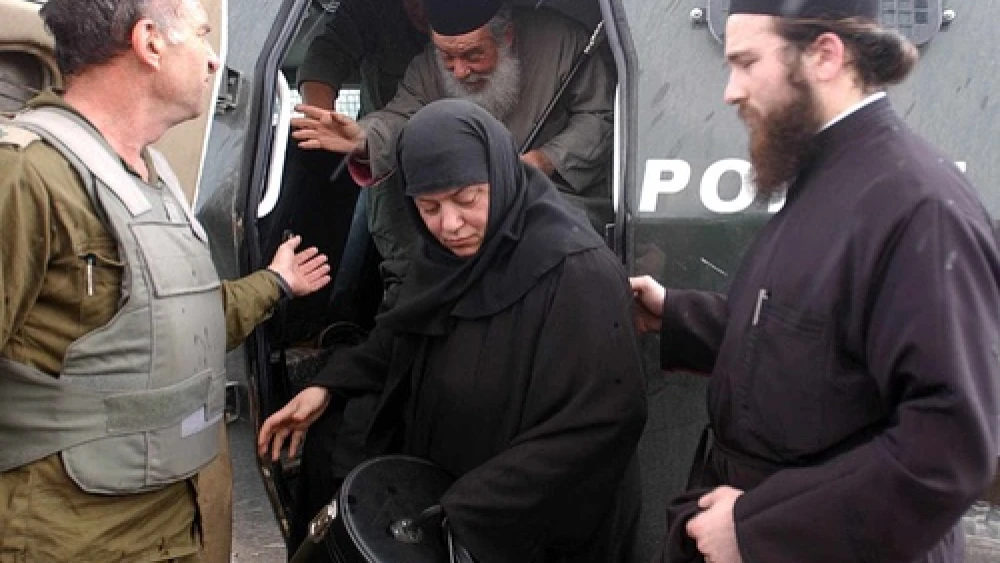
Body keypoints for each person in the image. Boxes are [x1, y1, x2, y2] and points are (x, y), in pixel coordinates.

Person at [630, 1, 1000, 562]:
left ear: (825, 55)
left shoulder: (919, 207)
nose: (730, 91)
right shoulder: (824, 171)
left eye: (747, 62)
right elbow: (806, 337)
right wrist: (676, 315)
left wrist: (757, 529)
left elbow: (948, 448)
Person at [0, 1, 331, 562]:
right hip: (77, 536)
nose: (211, 62)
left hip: (181, 520)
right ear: (150, 43)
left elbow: (174, 320)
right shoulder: (28, 176)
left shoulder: (153, 178)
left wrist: (274, 283)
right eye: (202, 37)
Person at [259, 99, 646, 563]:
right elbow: (402, 336)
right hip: (442, 503)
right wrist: (325, 386)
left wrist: (469, 508)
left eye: (467, 199)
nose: (450, 225)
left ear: (500, 178)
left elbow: (604, 418)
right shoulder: (443, 259)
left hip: (524, 527)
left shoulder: (575, 272)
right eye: (428, 206)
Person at [291, 0, 615, 240]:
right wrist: (362, 139)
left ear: (508, 36)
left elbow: (599, 117)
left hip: (555, 198)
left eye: (473, 55)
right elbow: (398, 118)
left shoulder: (563, 42)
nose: (459, 71)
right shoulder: (426, 69)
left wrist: (541, 162)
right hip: (460, 211)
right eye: (447, 56)